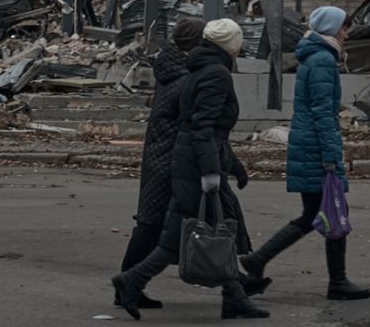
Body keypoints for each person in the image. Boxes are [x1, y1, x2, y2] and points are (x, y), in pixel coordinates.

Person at [112, 18, 269, 320]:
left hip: (181, 157)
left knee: (204, 222)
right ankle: (129, 281)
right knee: (181, 228)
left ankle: (234, 290)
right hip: (182, 160)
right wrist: (213, 167)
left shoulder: (185, 71)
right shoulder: (197, 76)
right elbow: (202, 127)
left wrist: (228, 162)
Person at [238, 5, 370, 301]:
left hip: (308, 144)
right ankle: (336, 282)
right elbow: (323, 112)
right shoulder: (324, 59)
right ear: (331, 29)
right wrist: (330, 156)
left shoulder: (314, 56)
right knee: (333, 212)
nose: (346, 34)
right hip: (316, 147)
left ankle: (258, 260)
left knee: (318, 213)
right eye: (343, 28)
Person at [113, 18, 205, 312]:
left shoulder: (171, 71)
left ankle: (128, 283)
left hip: (158, 155)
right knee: (154, 226)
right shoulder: (185, 79)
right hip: (170, 158)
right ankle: (127, 282)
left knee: (153, 224)